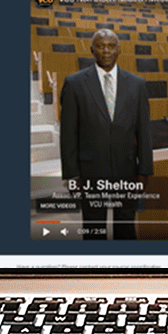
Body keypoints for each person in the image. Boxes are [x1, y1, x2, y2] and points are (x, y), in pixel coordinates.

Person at [59, 29, 153, 240]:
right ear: (92, 50)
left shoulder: (137, 84)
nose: (106, 51)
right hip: (90, 172)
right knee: (94, 230)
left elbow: (144, 131)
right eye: (101, 46)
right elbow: (68, 135)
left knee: (126, 229)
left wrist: (144, 169)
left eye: (111, 46)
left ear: (119, 49)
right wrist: (71, 174)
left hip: (127, 169)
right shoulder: (74, 83)